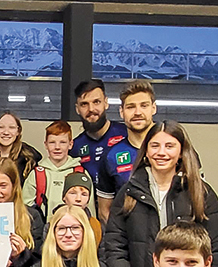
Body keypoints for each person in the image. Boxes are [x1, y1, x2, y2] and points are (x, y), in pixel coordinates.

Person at [102, 120, 218, 267]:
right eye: (155, 146)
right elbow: (115, 249)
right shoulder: (128, 193)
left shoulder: (200, 193)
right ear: (146, 152)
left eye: (170, 146)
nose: (161, 152)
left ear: (181, 152)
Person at [69, 80, 128, 222]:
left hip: (125, 217)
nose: (91, 109)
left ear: (106, 103)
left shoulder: (125, 135)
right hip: (87, 220)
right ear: (77, 109)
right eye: (84, 104)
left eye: (96, 102)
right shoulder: (75, 148)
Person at [95, 80, 157, 209]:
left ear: (154, 108)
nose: (138, 112)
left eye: (144, 106)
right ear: (121, 112)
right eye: (130, 107)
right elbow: (104, 211)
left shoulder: (174, 149)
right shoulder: (111, 156)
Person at [22, 120, 87, 217]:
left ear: (70, 144)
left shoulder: (80, 174)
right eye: (52, 142)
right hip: (44, 225)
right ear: (45, 145)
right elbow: (25, 211)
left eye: (62, 142)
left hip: (74, 225)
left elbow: (90, 211)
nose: (57, 147)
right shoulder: (36, 175)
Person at [0, 110, 40, 184]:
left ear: (18, 131)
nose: (6, 132)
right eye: (1, 127)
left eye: (12, 127)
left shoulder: (29, 159)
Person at [61, 170, 104, 241]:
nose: (78, 199)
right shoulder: (54, 224)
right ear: (64, 197)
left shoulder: (96, 226)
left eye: (84, 195)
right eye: (73, 193)